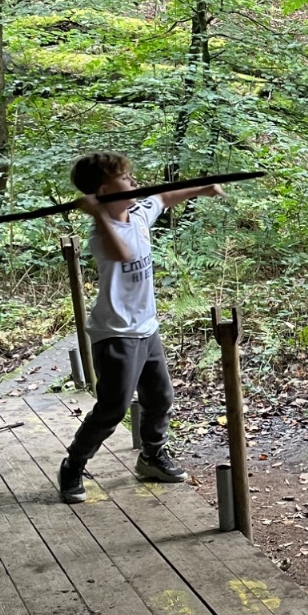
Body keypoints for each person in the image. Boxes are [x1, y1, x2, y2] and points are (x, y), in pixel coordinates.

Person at [58, 152, 220, 503]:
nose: (134, 182)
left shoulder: (140, 213)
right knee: (113, 408)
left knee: (160, 397)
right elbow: (123, 254)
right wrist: (98, 213)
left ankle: (152, 456)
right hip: (116, 333)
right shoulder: (102, 232)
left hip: (146, 328)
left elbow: (164, 196)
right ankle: (74, 463)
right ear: (105, 190)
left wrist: (201, 188)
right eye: (126, 178)